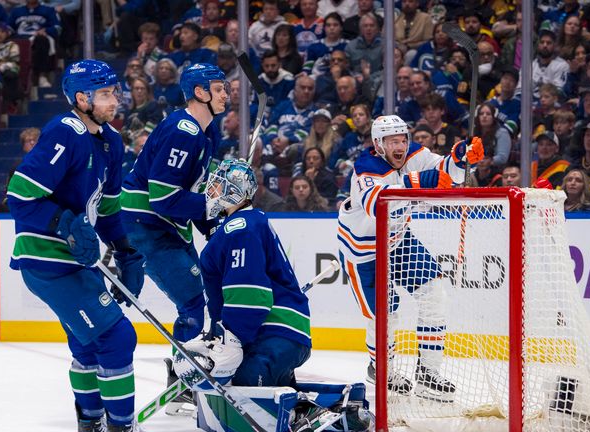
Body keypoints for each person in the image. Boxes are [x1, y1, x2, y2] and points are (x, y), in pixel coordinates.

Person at [5, 60, 170, 432]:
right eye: (106, 94)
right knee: (116, 338)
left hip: (75, 261)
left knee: (88, 340)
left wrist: (126, 249)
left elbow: (109, 209)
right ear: (82, 98)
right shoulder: (67, 131)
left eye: (115, 92)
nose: (116, 99)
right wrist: (62, 221)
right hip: (47, 259)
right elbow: (20, 194)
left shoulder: (111, 142)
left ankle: (92, 427)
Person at [336, 114, 484, 399]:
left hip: (397, 240)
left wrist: (462, 157)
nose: (400, 145)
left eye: (403, 138)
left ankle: (428, 373)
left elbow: (444, 169)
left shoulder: (414, 153)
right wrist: (418, 182)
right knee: (384, 313)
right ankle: (381, 368)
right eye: (393, 140)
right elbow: (378, 205)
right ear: (379, 144)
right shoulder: (365, 168)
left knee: (434, 292)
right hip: (363, 249)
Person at [120, 64, 228, 401]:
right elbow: (164, 197)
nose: (226, 94)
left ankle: (187, 374)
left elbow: (190, 193)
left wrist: (214, 226)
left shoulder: (203, 135)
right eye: (219, 88)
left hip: (165, 227)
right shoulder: (184, 131)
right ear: (200, 92)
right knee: (194, 300)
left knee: (202, 296)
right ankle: (184, 381)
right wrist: (213, 207)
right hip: (148, 227)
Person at [187, 158, 312, 388]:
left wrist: (231, 338)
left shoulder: (241, 228)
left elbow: (251, 295)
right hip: (273, 334)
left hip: (274, 334)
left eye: (217, 185)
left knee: (243, 386)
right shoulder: (243, 223)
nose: (210, 191)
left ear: (233, 191)